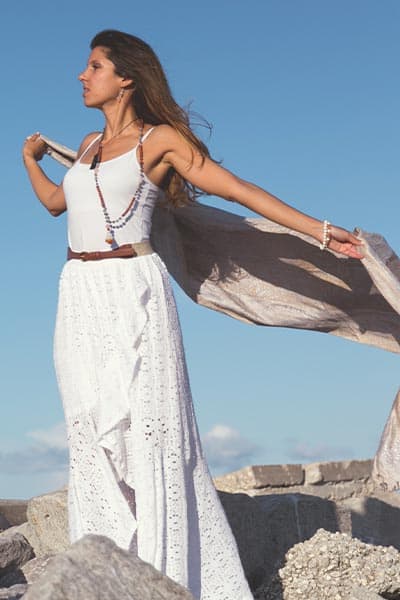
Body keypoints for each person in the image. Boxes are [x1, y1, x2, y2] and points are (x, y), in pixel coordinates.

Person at [22, 30, 363, 600]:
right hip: (78, 292)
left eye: (94, 66)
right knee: (87, 427)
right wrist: (30, 161)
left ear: (126, 77)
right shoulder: (83, 146)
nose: (82, 76)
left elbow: (235, 189)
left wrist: (321, 232)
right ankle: (105, 568)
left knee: (151, 430)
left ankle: (168, 574)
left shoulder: (160, 141)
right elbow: (57, 203)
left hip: (134, 287)